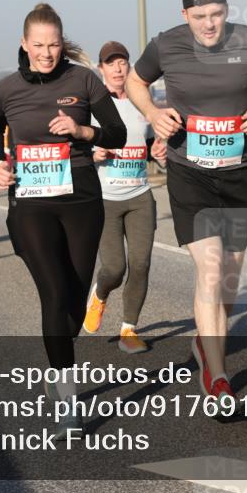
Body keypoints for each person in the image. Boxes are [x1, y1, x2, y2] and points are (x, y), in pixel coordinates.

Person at [125, 0, 247, 399]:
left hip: (241, 171)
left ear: (227, 10)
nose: (209, 24)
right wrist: (152, 112)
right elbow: (134, 81)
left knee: (230, 276)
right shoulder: (166, 44)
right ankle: (218, 379)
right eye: (199, 16)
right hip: (189, 169)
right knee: (212, 267)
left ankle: (205, 341)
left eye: (216, 14)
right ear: (185, 15)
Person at [0, 3, 126, 437]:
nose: (47, 53)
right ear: (24, 44)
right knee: (53, 292)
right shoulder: (3, 90)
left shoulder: (83, 80)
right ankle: (68, 401)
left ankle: (55, 362)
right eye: (39, 45)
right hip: (30, 201)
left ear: (63, 43)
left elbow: (116, 133)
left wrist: (84, 133)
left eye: (54, 44)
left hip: (81, 196)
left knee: (74, 298)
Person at [83, 41, 167, 353]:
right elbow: (76, 147)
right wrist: (93, 154)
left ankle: (128, 330)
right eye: (111, 63)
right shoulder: (93, 104)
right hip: (104, 198)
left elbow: (149, 144)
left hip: (140, 195)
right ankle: (100, 294)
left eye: (123, 62)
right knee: (114, 268)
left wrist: (158, 153)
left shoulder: (142, 100)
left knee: (141, 263)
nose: (118, 69)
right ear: (101, 69)